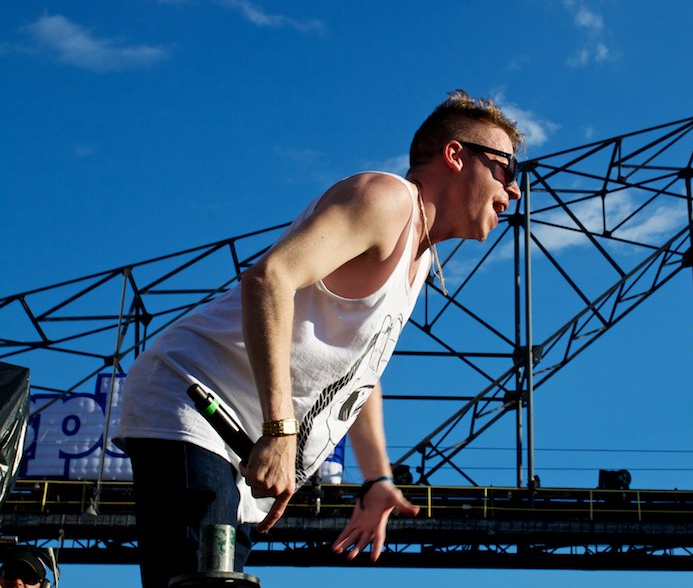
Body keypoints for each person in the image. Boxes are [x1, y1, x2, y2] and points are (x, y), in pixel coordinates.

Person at [113, 90, 525, 588]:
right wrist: (281, 430)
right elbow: (270, 278)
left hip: (246, 452)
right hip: (194, 404)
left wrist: (377, 480)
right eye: (506, 168)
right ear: (455, 156)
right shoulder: (387, 199)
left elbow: (360, 378)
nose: (515, 188)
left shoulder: (420, 258)